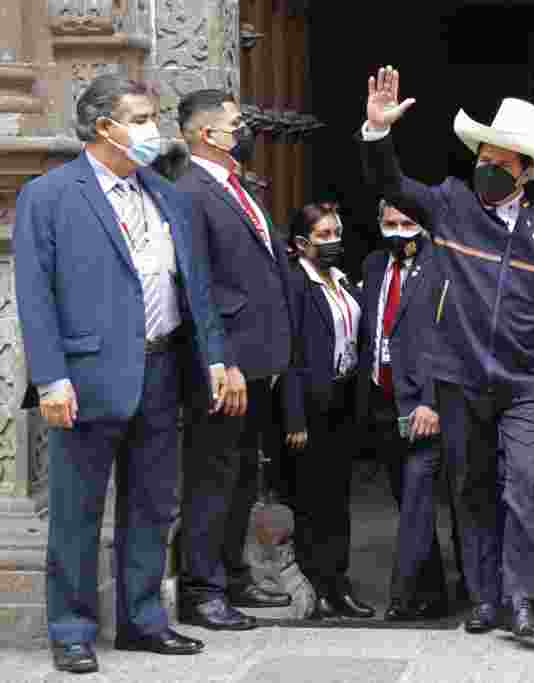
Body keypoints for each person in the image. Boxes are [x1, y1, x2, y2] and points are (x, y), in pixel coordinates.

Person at [360, 66, 534, 639]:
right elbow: (394, 186)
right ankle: (485, 600)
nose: (486, 168)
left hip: (530, 379)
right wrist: (378, 132)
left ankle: (522, 600)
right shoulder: (452, 202)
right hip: (461, 377)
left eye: (501, 162)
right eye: (483, 156)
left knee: (528, 484)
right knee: (472, 488)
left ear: (525, 171)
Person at [14, 74, 223, 673]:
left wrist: (211, 356)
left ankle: (142, 620)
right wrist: (52, 379)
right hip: (85, 378)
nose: (151, 129)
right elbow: (36, 295)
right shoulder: (50, 195)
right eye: (140, 118)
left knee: (153, 506)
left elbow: (193, 283)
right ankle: (72, 628)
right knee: (78, 511)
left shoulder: (164, 191)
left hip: (162, 369)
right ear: (104, 126)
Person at [175, 89, 294, 631]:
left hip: (258, 359)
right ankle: (202, 590)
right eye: (235, 123)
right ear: (207, 135)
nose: (244, 129)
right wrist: (223, 359)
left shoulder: (235, 185)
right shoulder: (191, 191)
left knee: (245, 472)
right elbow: (198, 284)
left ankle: (231, 570)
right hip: (226, 366)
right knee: (213, 475)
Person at [356, 199, 454, 620]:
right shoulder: (374, 264)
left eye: (407, 223)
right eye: (390, 223)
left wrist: (433, 401)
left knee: (417, 497)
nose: (399, 231)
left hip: (423, 402)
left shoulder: (442, 265)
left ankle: (402, 598)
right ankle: (433, 595)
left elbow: (449, 338)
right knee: (405, 497)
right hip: (383, 398)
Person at [278, 202, 375, 620]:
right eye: (323, 236)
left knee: (338, 500)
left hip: (343, 399)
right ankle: (315, 585)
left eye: (336, 233)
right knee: (312, 502)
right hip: (310, 407)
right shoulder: (296, 284)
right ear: (301, 243)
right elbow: (291, 354)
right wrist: (294, 416)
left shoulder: (342, 280)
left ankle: (339, 585)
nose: (333, 242)